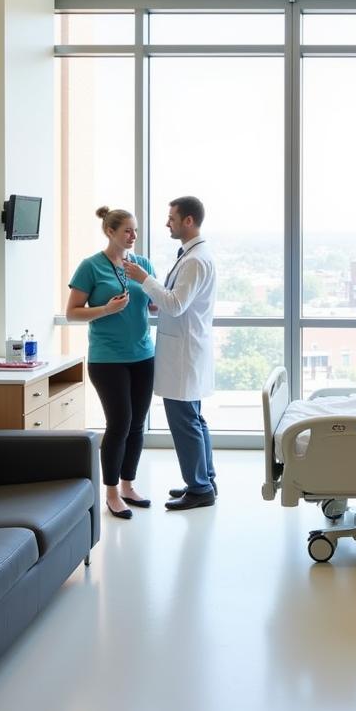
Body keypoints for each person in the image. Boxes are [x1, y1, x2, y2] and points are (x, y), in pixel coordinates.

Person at [123, 195, 218, 510]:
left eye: (172, 218)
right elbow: (177, 301)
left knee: (184, 421)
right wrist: (156, 300)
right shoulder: (194, 255)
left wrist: (144, 279)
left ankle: (199, 488)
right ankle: (204, 480)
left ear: (188, 221)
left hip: (184, 354)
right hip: (187, 348)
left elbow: (177, 305)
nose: (167, 223)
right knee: (195, 419)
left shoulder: (194, 260)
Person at [66, 206, 156, 520]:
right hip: (108, 359)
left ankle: (129, 485)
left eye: (135, 230)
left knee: (137, 424)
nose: (133, 236)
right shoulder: (90, 267)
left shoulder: (141, 264)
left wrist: (154, 290)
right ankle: (112, 492)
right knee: (119, 423)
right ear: (110, 232)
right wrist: (105, 309)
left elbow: (155, 304)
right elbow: (72, 312)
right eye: (127, 231)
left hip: (143, 355)